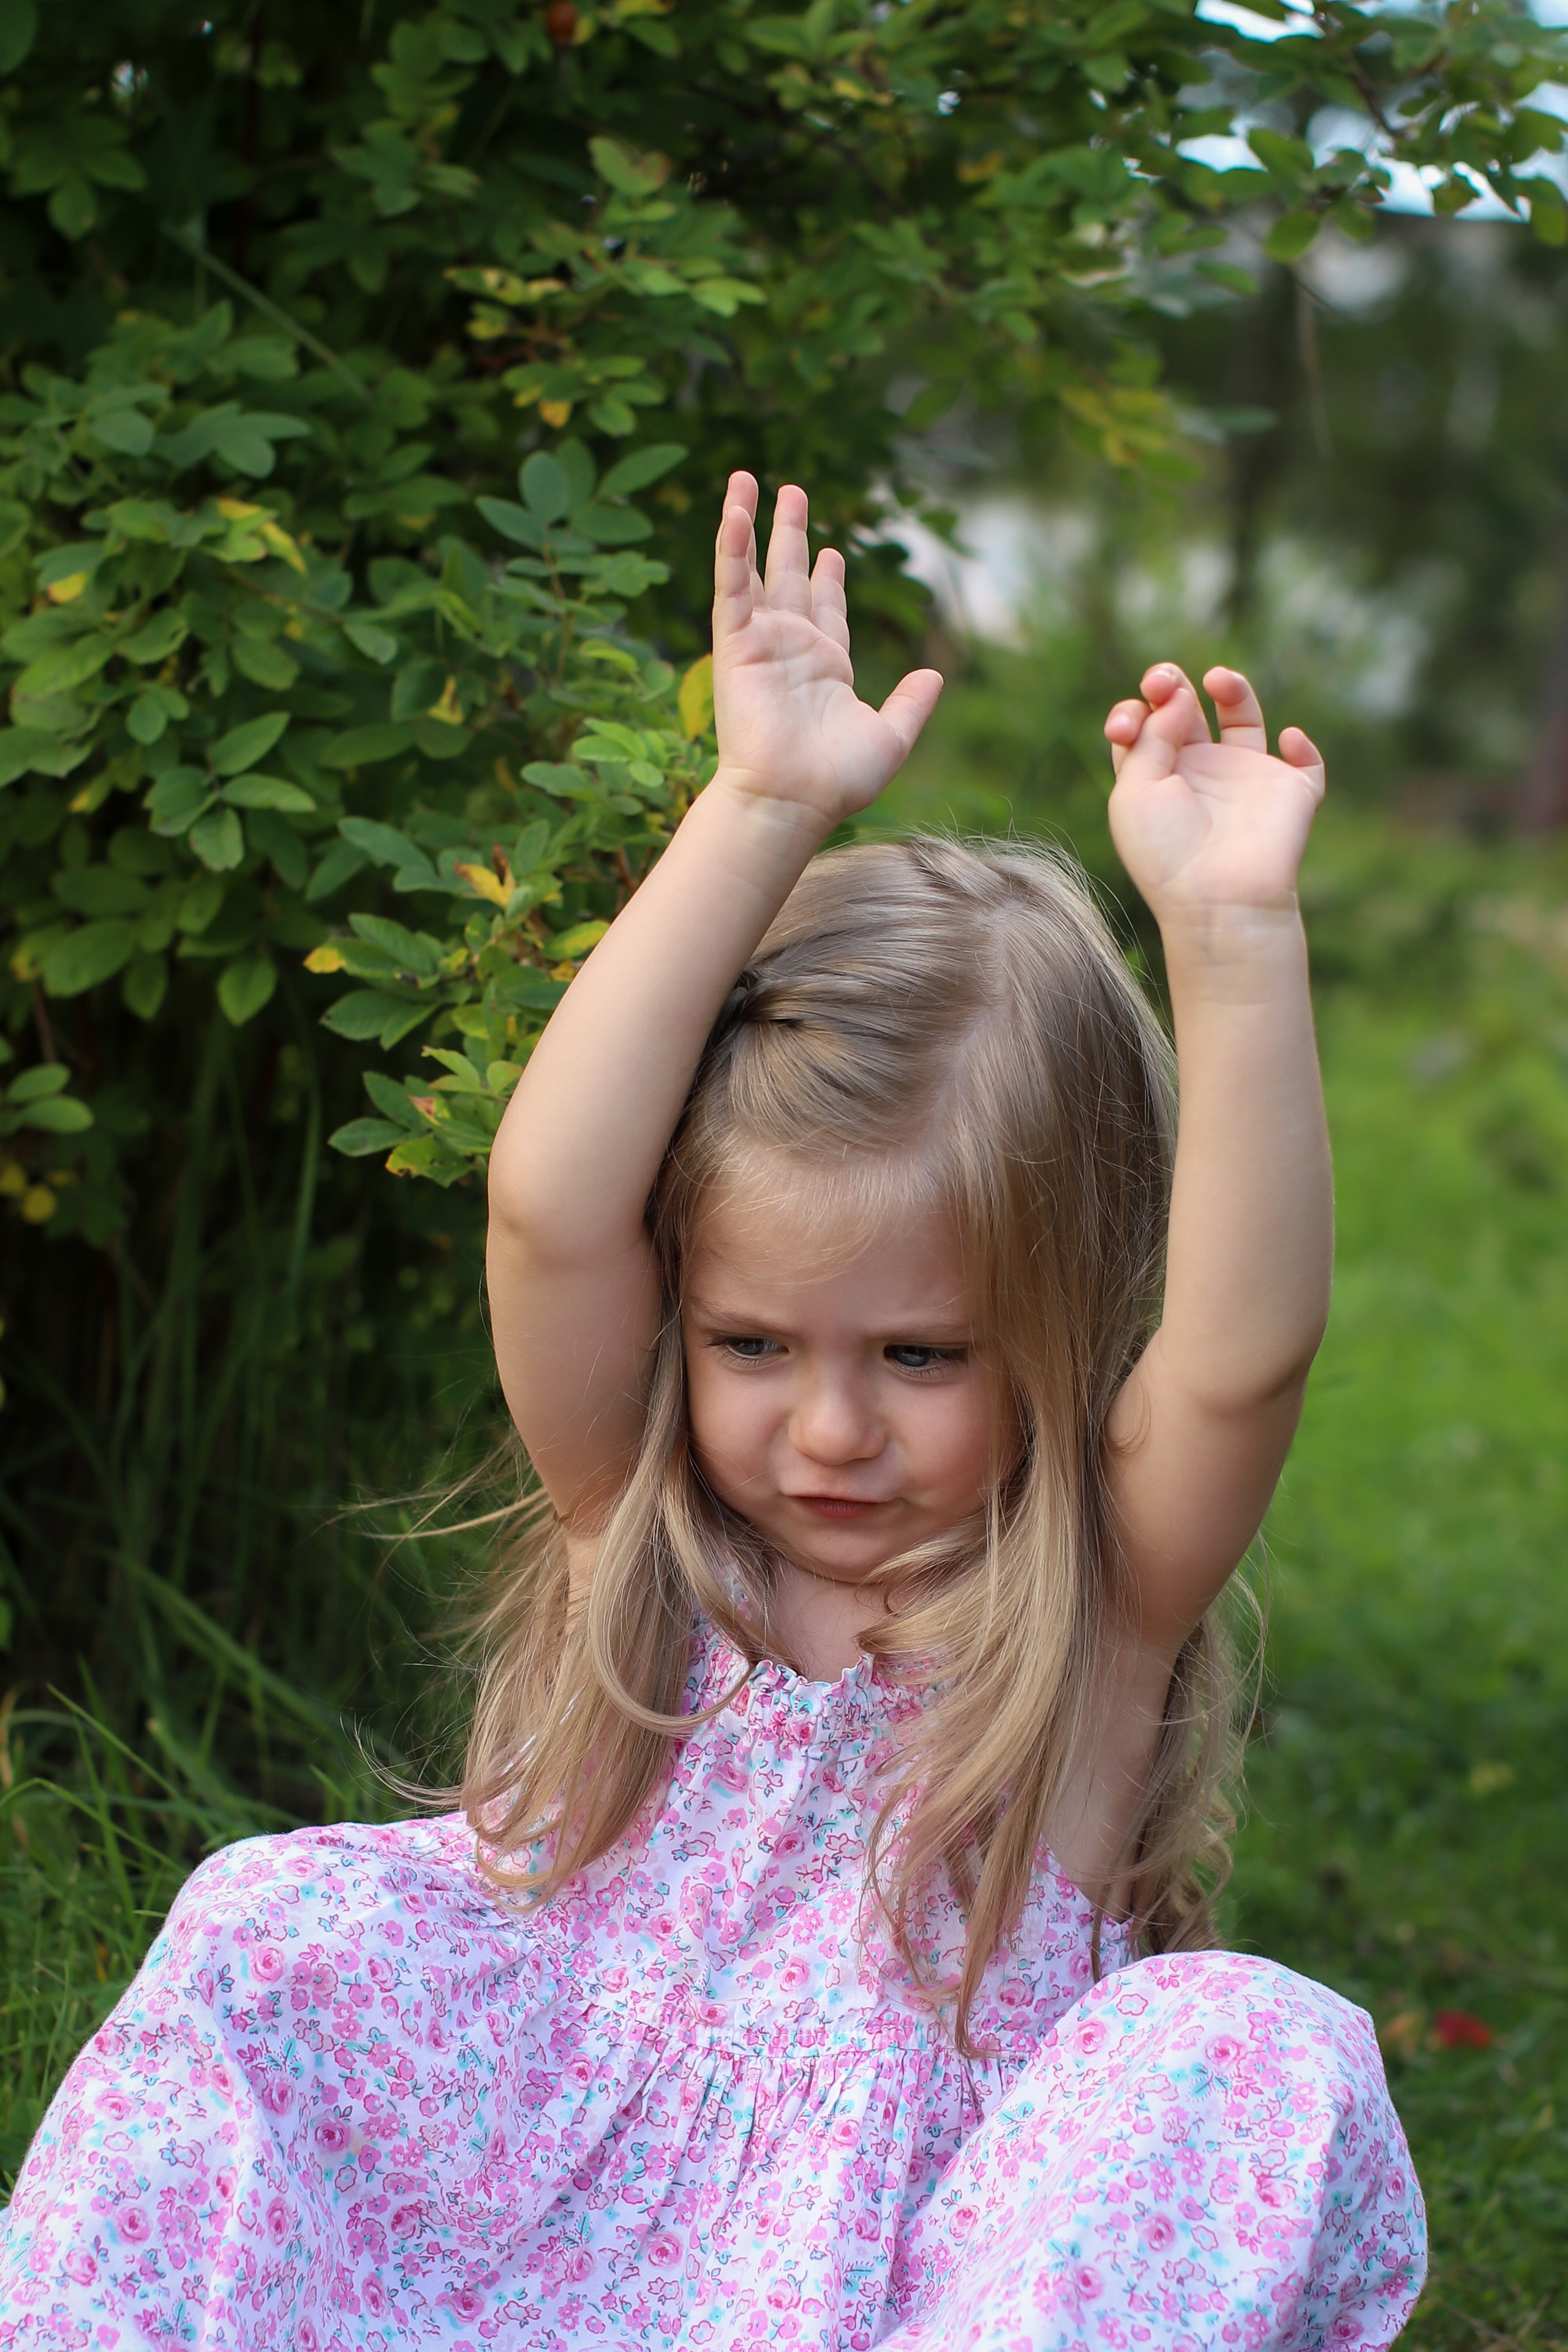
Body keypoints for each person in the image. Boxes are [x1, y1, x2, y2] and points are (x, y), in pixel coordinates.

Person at [0, 475, 1423, 2350]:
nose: (826, 1431)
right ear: (685, 1315)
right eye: (755, 1344)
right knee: (276, 1918)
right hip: (524, 2201)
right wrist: (756, 810)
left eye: (921, 1358)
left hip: (925, 2276)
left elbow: (1243, 1351)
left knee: (1244, 2043)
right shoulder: (647, 1510)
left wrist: (1232, 940)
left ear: (1070, 1334)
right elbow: (547, 1205)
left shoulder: (1092, 1593)